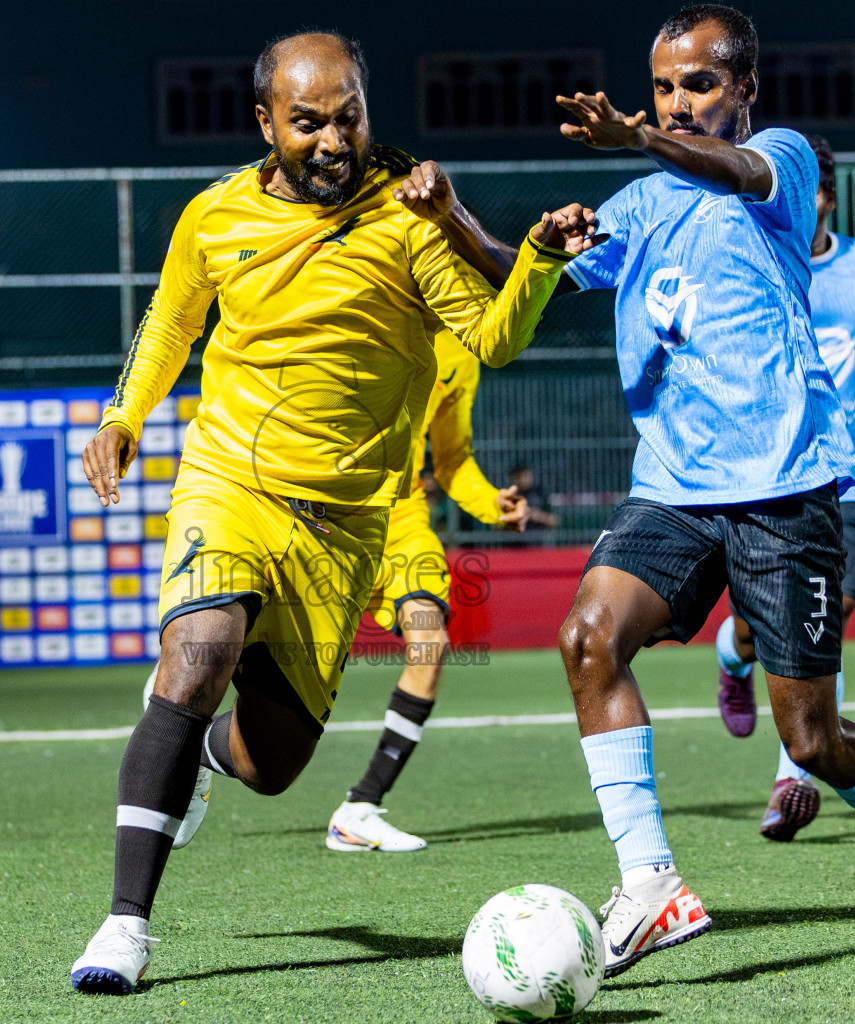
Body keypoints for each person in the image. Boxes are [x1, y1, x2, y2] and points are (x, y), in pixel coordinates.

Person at [68, 30, 595, 995]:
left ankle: (198, 764)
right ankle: (124, 928)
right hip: (228, 481)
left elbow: (493, 336)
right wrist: (123, 416)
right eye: (306, 122)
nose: (331, 139)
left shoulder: (410, 209)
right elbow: (171, 325)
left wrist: (537, 259)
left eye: (347, 115)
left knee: (273, 764)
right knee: (197, 654)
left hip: (347, 524)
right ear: (265, 123)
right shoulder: (213, 217)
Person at [552, 4, 855, 977]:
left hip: (788, 489)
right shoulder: (636, 204)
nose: (678, 104)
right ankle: (650, 884)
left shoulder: (783, 159)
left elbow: (731, 171)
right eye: (664, 88)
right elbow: (525, 281)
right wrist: (469, 229)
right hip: (674, 488)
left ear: (744, 90)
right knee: (590, 638)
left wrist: (640, 139)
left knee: (807, 742)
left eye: (701, 85)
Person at [711, 133, 855, 840]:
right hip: (781, 471)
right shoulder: (754, 262)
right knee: (755, 631)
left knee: (825, 619)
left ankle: (792, 778)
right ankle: (730, 658)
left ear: (824, 199)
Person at [326, 328, 529, 853]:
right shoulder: (354, 303)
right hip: (316, 510)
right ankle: (192, 743)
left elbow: (453, 459)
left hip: (401, 519)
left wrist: (491, 506)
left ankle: (360, 807)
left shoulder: (461, 349)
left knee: (429, 641)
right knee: (257, 694)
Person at [510, 464, 561, 529]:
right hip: (516, 536)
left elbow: (555, 520)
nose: (525, 479)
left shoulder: (540, 493)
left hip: (538, 536)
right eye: (521, 476)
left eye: (527, 475)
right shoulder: (511, 494)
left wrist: (538, 516)